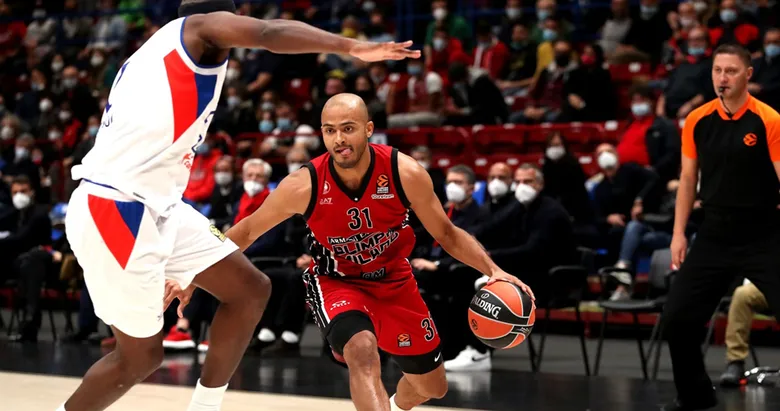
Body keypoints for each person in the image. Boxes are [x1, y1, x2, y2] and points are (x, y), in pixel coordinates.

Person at [57, 1, 421, 410]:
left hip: (159, 205)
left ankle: (205, 408)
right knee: (139, 358)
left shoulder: (160, 48)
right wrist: (350, 47)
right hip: (117, 207)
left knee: (249, 289)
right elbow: (268, 33)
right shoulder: (200, 27)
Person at [225, 93, 533, 411]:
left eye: (348, 128)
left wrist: (493, 271)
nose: (338, 139)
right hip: (337, 281)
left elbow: (447, 233)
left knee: (432, 387)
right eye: (330, 130)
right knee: (362, 350)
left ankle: (395, 406)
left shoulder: (404, 173)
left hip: (395, 281)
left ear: (369, 129)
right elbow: (246, 231)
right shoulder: (304, 184)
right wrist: (198, 271)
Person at [662, 43, 780, 411]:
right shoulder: (697, 120)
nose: (722, 78)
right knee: (677, 317)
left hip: (764, 232)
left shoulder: (769, 119)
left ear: (748, 75)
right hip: (714, 233)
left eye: (731, 71)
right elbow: (687, 179)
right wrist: (678, 234)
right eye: (717, 70)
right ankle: (695, 396)